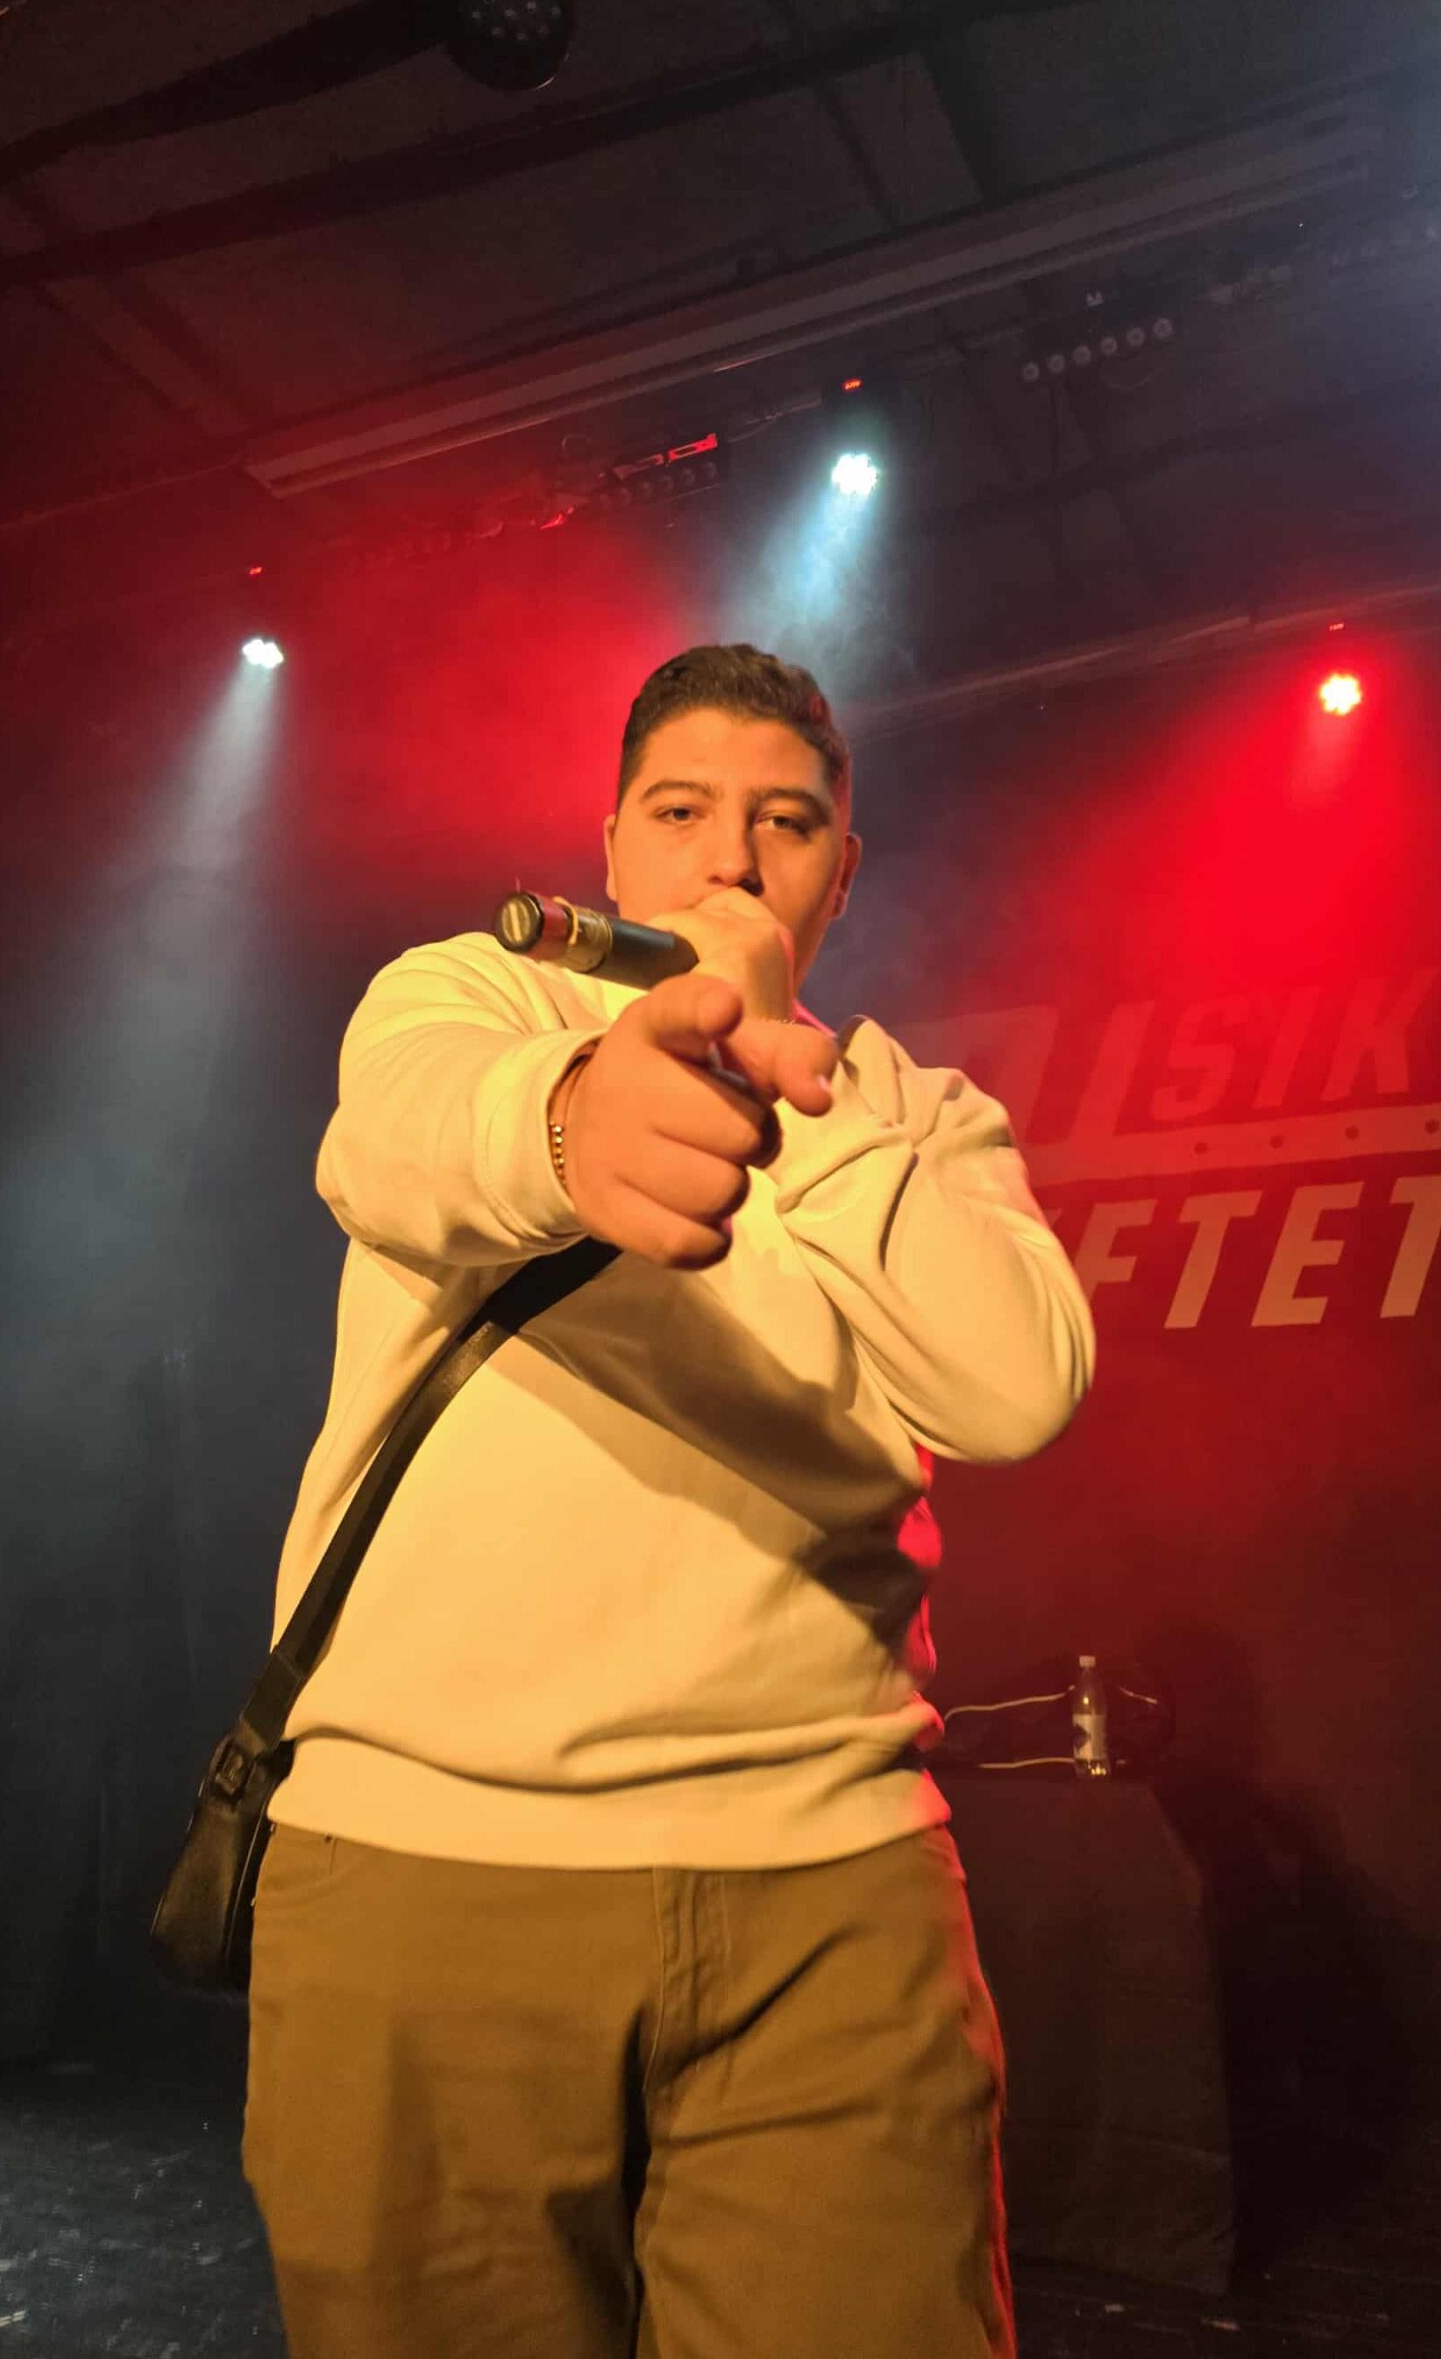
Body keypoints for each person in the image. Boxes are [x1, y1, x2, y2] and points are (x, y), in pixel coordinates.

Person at [244, 643, 1095, 2359]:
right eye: (684, 812)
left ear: (841, 873)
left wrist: (797, 1085)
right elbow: (399, 1141)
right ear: (612, 845)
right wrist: (572, 1129)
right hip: (430, 1862)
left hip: (832, 1888)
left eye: (787, 824)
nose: (732, 860)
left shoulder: (919, 1117)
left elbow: (1016, 1383)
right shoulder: (470, 998)